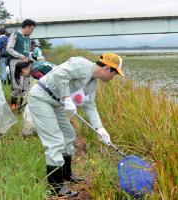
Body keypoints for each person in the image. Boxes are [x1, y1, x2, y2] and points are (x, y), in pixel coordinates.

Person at [28, 53, 125, 197]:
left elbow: (89, 105)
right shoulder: (81, 64)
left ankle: (66, 174)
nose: (112, 79)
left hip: (56, 102)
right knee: (55, 142)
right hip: (41, 98)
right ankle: (56, 187)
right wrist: (67, 98)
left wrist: (100, 129)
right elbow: (59, 75)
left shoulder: (92, 82)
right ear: (107, 69)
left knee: (69, 134)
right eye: (114, 75)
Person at [6, 19, 36, 110]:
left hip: (26, 63)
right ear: (27, 27)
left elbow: (27, 52)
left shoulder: (27, 38)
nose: (32, 32)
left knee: (26, 85)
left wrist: (32, 60)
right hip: (16, 62)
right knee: (18, 85)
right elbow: (9, 49)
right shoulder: (15, 35)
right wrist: (20, 56)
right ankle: (14, 103)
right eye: (31, 29)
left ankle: (23, 106)